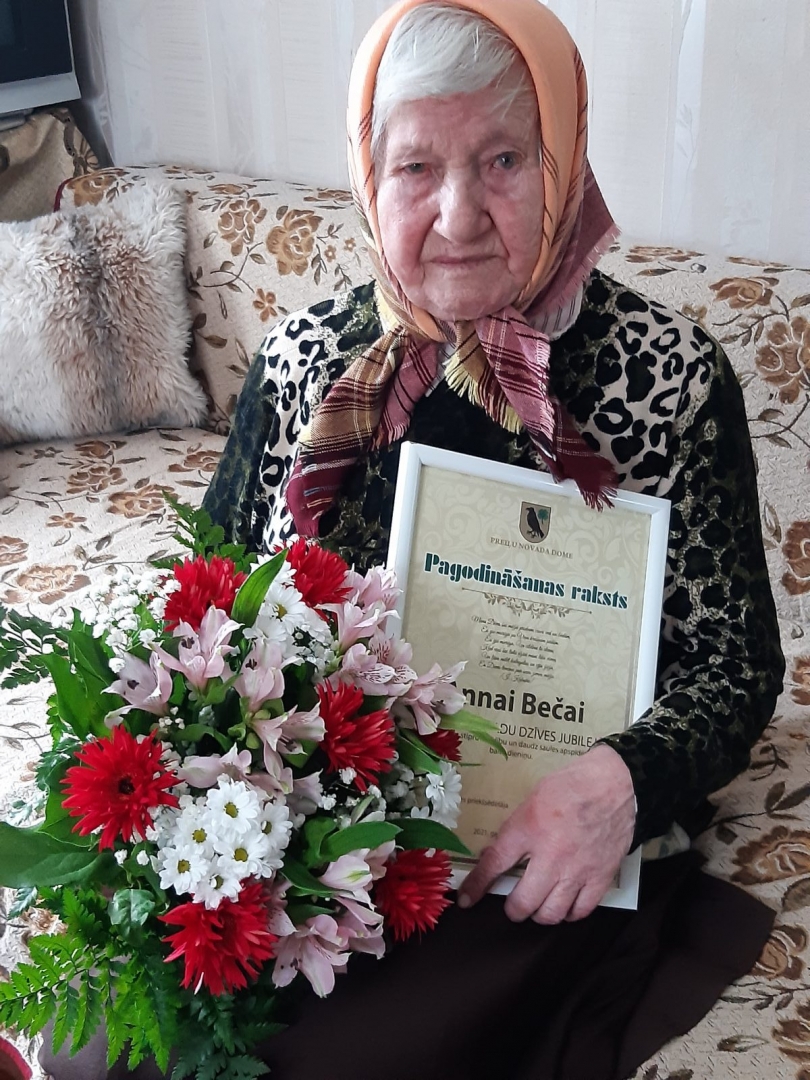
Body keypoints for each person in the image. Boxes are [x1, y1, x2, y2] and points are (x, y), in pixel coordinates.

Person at [43, 1, 784, 1078]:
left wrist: (620, 786)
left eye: (503, 160)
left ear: (565, 161)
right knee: (102, 1039)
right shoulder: (305, 362)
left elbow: (735, 662)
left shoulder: (666, 377)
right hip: (308, 841)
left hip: (531, 853)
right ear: (369, 174)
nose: (459, 213)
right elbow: (204, 596)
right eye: (417, 167)